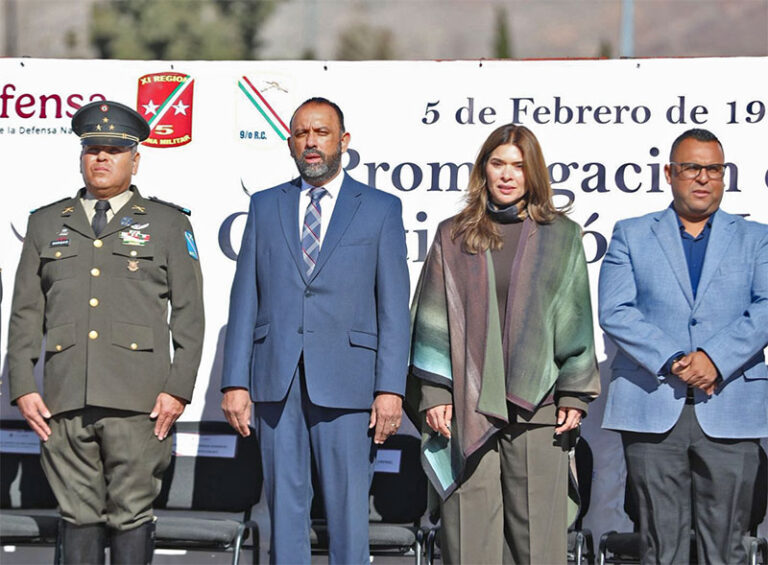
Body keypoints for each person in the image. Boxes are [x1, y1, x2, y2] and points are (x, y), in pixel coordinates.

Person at [7, 100, 205, 565]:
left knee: (132, 514)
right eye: (92, 148)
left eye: (113, 150)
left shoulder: (168, 223)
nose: (101, 158)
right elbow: (25, 313)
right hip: (64, 400)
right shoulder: (45, 222)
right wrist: (21, 386)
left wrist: (178, 390)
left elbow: (191, 315)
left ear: (135, 159)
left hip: (139, 403)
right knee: (77, 514)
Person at [220, 97, 410, 564]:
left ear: (343, 141)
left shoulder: (381, 209)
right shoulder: (265, 206)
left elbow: (393, 308)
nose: (311, 142)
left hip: (349, 385)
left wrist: (390, 388)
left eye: (321, 133)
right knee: (284, 513)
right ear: (290, 142)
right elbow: (245, 297)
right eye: (302, 133)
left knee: (348, 516)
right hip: (276, 383)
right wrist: (235, 381)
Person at [406, 124, 600, 564]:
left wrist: (573, 392)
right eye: (498, 163)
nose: (508, 175)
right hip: (463, 409)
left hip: (539, 412)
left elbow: (576, 322)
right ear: (483, 170)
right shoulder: (452, 235)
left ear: (533, 174)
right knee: (470, 545)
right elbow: (431, 320)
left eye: (518, 165)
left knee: (538, 549)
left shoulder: (562, 235)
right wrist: (435, 392)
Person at [599, 128, 768, 564]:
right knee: (659, 546)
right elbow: (616, 310)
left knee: (727, 546)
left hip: (731, 408)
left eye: (714, 169)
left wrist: (715, 359)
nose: (703, 178)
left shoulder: (757, 238)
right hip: (652, 407)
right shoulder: (632, 234)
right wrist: (674, 359)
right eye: (692, 167)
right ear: (669, 173)